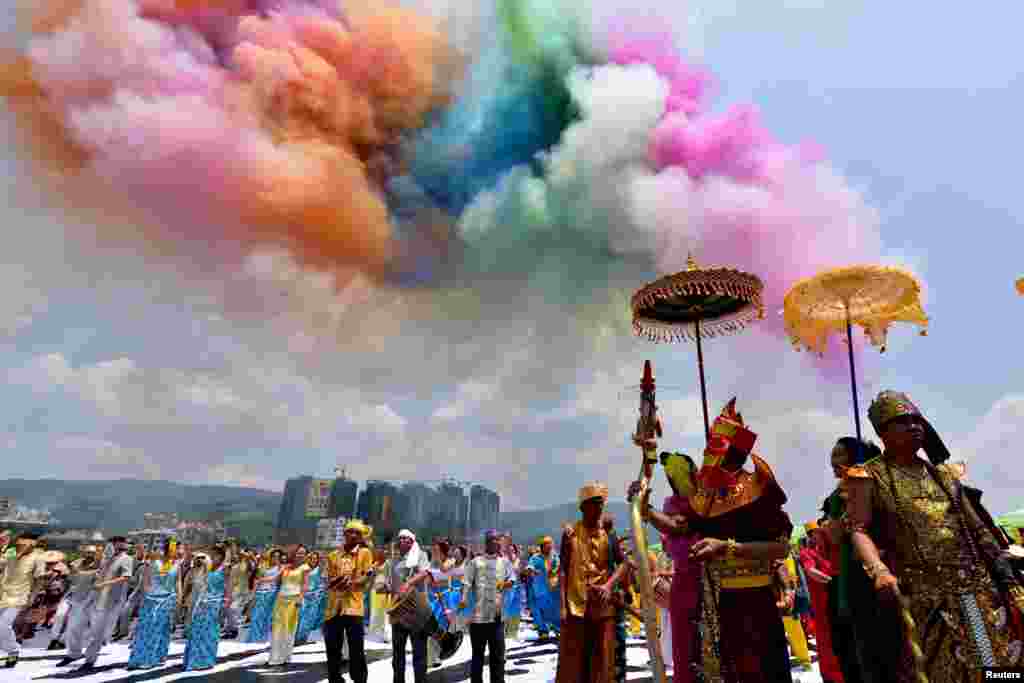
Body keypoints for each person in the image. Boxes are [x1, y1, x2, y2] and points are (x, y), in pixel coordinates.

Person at [845, 390, 1024, 681]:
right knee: (941, 670)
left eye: (917, 420)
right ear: (883, 432)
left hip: (971, 587)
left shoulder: (942, 473)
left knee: (991, 665)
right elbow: (858, 528)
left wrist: (1007, 577)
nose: (915, 427)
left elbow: (976, 528)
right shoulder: (868, 476)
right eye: (902, 421)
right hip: (923, 596)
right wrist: (878, 570)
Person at [632, 398, 794, 682]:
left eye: (717, 444)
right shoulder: (707, 496)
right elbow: (678, 526)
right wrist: (645, 509)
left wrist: (728, 547)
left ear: (735, 450)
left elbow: (781, 548)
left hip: (757, 600)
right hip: (717, 604)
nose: (709, 451)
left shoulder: (759, 488)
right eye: (710, 443)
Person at [554, 481, 627, 683]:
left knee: (602, 659)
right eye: (593, 504)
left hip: (603, 606)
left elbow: (624, 564)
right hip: (576, 605)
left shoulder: (609, 535)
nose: (598, 509)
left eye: (600, 504)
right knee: (574, 659)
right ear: (582, 507)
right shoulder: (570, 535)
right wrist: (562, 606)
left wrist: (608, 585)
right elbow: (563, 571)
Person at [71, 536, 134, 670]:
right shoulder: (108, 559)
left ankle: (90, 659)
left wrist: (104, 584)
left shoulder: (126, 559)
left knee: (98, 631)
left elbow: (125, 577)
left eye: (116, 543)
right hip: (96, 597)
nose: (113, 546)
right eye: (112, 543)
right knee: (87, 628)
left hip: (110, 599)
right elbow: (97, 572)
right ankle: (79, 654)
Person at [323, 520, 373, 683]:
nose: (353, 535)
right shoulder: (332, 555)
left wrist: (352, 582)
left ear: (361, 537)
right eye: (350, 531)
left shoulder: (365, 553)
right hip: (333, 607)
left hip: (353, 606)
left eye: (357, 533)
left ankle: (359, 679)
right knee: (332, 647)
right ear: (344, 534)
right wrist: (336, 581)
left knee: (356, 648)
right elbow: (327, 579)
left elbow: (367, 576)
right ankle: (334, 678)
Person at [458, 530, 511, 683]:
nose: (495, 542)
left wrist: (507, 583)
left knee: (498, 657)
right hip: (478, 618)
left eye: (497, 540)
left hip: (497, 617)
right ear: (486, 542)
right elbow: (466, 582)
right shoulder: (475, 562)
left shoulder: (504, 562)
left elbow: (512, 579)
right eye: (492, 540)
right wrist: (463, 598)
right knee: (477, 657)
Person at [121, 539, 178, 670]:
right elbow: (145, 581)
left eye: (175, 549)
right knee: (147, 629)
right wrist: (147, 596)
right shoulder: (153, 563)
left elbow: (176, 582)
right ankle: (143, 658)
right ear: (166, 549)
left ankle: (157, 657)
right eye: (173, 549)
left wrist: (177, 599)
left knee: (163, 630)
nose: (174, 552)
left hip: (167, 600)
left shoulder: (175, 565)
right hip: (152, 600)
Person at [800, 522, 843, 683]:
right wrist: (833, 581)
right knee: (826, 636)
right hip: (822, 601)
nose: (821, 535)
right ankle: (831, 676)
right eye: (817, 533)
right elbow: (811, 571)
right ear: (811, 535)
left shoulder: (830, 550)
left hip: (837, 597)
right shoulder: (807, 552)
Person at [388, 528, 432, 683]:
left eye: (405, 538)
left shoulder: (420, 555)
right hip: (398, 612)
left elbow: (425, 572)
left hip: (416, 611)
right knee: (397, 654)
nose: (402, 541)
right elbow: (390, 581)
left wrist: (408, 583)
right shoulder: (393, 560)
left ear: (412, 541)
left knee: (419, 654)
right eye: (400, 538)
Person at [0, 533, 47, 668]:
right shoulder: (11, 552)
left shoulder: (38, 558)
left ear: (32, 544)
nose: (20, 545)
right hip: (2, 593)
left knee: (3, 624)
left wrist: (32, 597)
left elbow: (39, 579)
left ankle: (13, 650)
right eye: (19, 543)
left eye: (24, 544)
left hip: (19, 597)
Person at [183, 544, 227, 671]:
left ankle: (206, 660)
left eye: (216, 555)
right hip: (201, 604)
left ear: (221, 557)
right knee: (196, 630)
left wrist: (225, 605)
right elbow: (194, 583)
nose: (212, 557)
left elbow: (227, 589)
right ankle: (193, 659)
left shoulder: (224, 569)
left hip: (214, 604)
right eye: (211, 554)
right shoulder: (204, 568)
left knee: (210, 633)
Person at [268, 544, 311, 666]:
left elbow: (305, 585)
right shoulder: (286, 567)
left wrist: (300, 599)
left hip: (293, 600)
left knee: (289, 628)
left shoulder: (305, 568)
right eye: (298, 552)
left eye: (303, 553)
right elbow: (277, 581)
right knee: (277, 627)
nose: (300, 555)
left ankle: (285, 656)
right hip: (280, 599)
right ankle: (275, 656)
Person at [525, 535, 560, 639]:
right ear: (542, 546)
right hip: (539, 588)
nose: (549, 546)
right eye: (547, 544)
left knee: (554, 609)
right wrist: (533, 571)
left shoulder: (554, 556)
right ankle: (543, 630)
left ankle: (557, 628)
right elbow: (529, 568)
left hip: (553, 588)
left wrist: (555, 571)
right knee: (539, 610)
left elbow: (558, 566)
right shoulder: (535, 557)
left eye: (550, 544)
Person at [245, 548, 281, 643]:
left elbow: (275, 579)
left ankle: (262, 639)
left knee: (267, 617)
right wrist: (252, 595)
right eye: (274, 556)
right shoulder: (264, 567)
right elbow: (256, 581)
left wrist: (262, 580)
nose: (275, 558)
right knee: (256, 616)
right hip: (260, 593)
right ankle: (254, 638)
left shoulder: (281, 568)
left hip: (271, 594)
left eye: (278, 557)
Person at [295, 550, 325, 645]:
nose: (313, 560)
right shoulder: (304, 568)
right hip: (304, 596)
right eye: (311, 558)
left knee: (310, 618)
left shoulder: (320, 569)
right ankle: (297, 638)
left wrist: (317, 593)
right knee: (301, 617)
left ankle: (303, 639)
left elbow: (322, 583)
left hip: (314, 597)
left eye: (315, 558)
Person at [501, 543, 523, 642]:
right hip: (508, 588)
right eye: (509, 550)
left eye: (513, 550)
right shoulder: (504, 560)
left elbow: (521, 572)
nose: (511, 552)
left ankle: (513, 632)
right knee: (506, 608)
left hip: (517, 587)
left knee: (516, 609)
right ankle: (503, 631)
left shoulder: (518, 560)